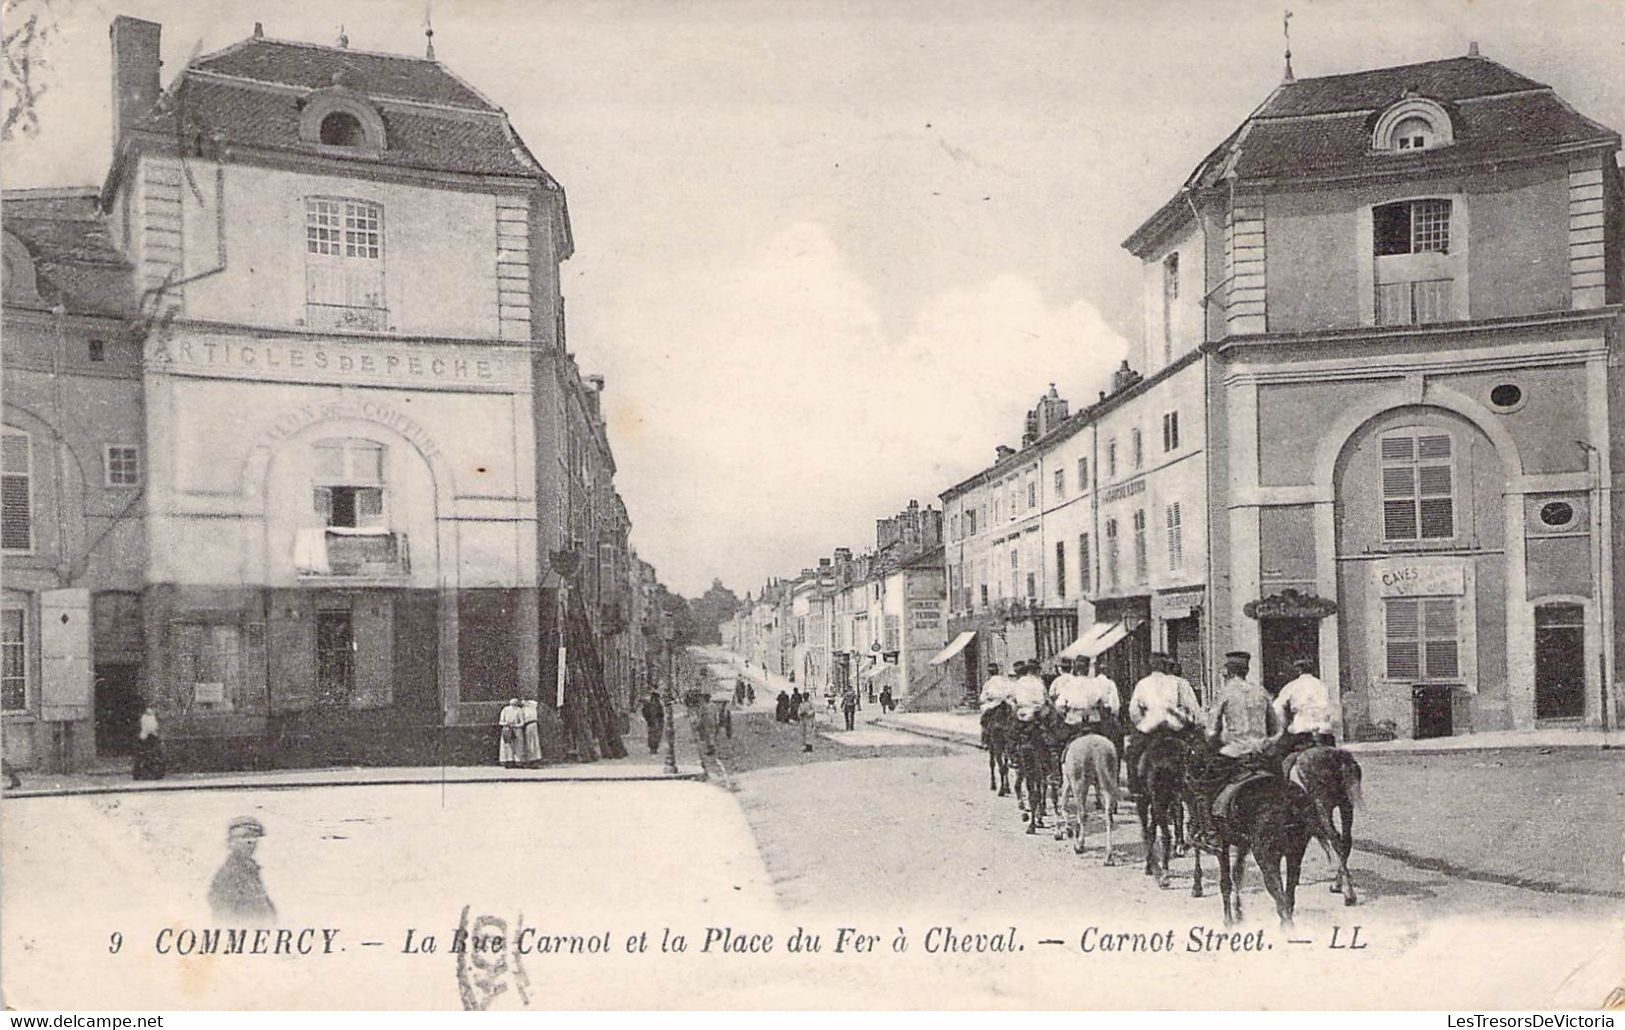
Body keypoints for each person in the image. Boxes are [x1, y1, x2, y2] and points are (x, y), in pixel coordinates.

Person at [1191, 651, 1277, 847]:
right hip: (1262, 754)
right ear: (1246, 671)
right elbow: (1276, 728)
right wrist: (1263, 742)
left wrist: (1218, 738)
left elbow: (1211, 731)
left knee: (1203, 787)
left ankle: (1210, 832)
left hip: (1234, 753)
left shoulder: (1225, 693)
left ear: (1228, 672)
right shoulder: (1261, 692)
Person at [1124, 652, 1205, 794]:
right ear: (1168, 665)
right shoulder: (1180, 683)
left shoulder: (1143, 684)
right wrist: (1191, 722)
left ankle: (1137, 789)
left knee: (1133, 754)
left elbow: (1133, 712)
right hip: (1177, 732)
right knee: (1197, 757)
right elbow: (1194, 711)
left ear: (1151, 665)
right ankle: (1195, 788)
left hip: (1151, 733)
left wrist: (1143, 723)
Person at [208, 816, 276, 925]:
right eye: (244, 837)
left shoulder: (251, 872)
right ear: (230, 842)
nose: (250, 842)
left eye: (254, 837)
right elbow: (224, 918)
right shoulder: (227, 875)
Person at [1273, 657, 1336, 758]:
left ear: (1298, 671)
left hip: (1302, 735)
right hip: (1325, 735)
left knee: (1278, 757)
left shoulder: (1291, 686)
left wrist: (1282, 729)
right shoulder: (1323, 686)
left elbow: (1277, 709)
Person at [1052, 656, 1120, 745]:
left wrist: (1067, 713)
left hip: (1074, 724)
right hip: (1094, 724)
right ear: (1088, 669)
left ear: (1075, 669)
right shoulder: (1096, 684)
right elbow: (1106, 703)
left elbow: (1059, 706)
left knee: (1063, 748)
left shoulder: (1069, 685)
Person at [133, 706, 166, 781]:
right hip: (150, 738)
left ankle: (138, 774)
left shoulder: (144, 717)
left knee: (142, 756)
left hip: (144, 737)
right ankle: (156, 774)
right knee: (153, 756)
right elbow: (152, 729)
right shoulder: (150, 718)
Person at [498, 698, 523, 768]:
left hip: (517, 730)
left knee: (517, 746)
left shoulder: (519, 710)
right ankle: (508, 761)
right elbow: (501, 722)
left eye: (515, 704)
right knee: (507, 746)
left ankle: (517, 761)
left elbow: (522, 722)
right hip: (507, 730)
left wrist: (515, 725)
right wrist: (507, 724)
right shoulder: (505, 710)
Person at [521, 698, 542, 768]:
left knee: (534, 742)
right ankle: (530, 760)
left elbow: (534, 703)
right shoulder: (523, 709)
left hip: (532, 723)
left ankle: (535, 760)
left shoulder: (532, 706)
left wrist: (526, 702)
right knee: (529, 743)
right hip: (526, 725)